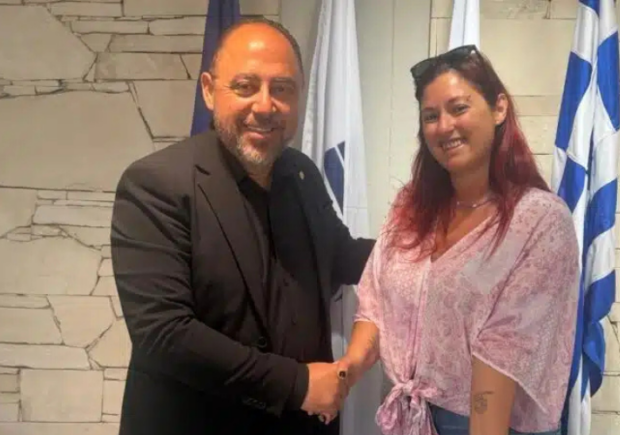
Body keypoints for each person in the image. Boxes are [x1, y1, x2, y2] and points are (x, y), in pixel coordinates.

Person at [110, 17, 374, 435]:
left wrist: (427, 243)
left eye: (282, 88)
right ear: (209, 90)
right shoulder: (156, 184)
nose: (265, 106)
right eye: (246, 86)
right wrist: (297, 384)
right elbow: (164, 334)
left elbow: (342, 256)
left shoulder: (301, 173)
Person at [333, 45, 580, 435]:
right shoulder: (410, 206)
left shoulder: (539, 221)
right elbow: (375, 303)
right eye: (431, 116)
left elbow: (503, 354)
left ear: (499, 108)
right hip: (411, 417)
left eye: (459, 108)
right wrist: (343, 375)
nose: (444, 126)